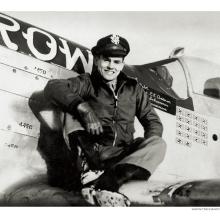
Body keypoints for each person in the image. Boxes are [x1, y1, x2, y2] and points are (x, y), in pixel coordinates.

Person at [44, 34, 167, 206]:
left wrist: (141, 155)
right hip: (92, 152)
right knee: (69, 109)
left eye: (117, 62)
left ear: (122, 63)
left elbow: (152, 121)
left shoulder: (134, 89)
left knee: (158, 144)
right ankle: (97, 176)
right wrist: (84, 109)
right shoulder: (87, 83)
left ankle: (109, 184)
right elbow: (53, 87)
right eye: (106, 60)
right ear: (96, 60)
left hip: (121, 156)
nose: (111, 66)